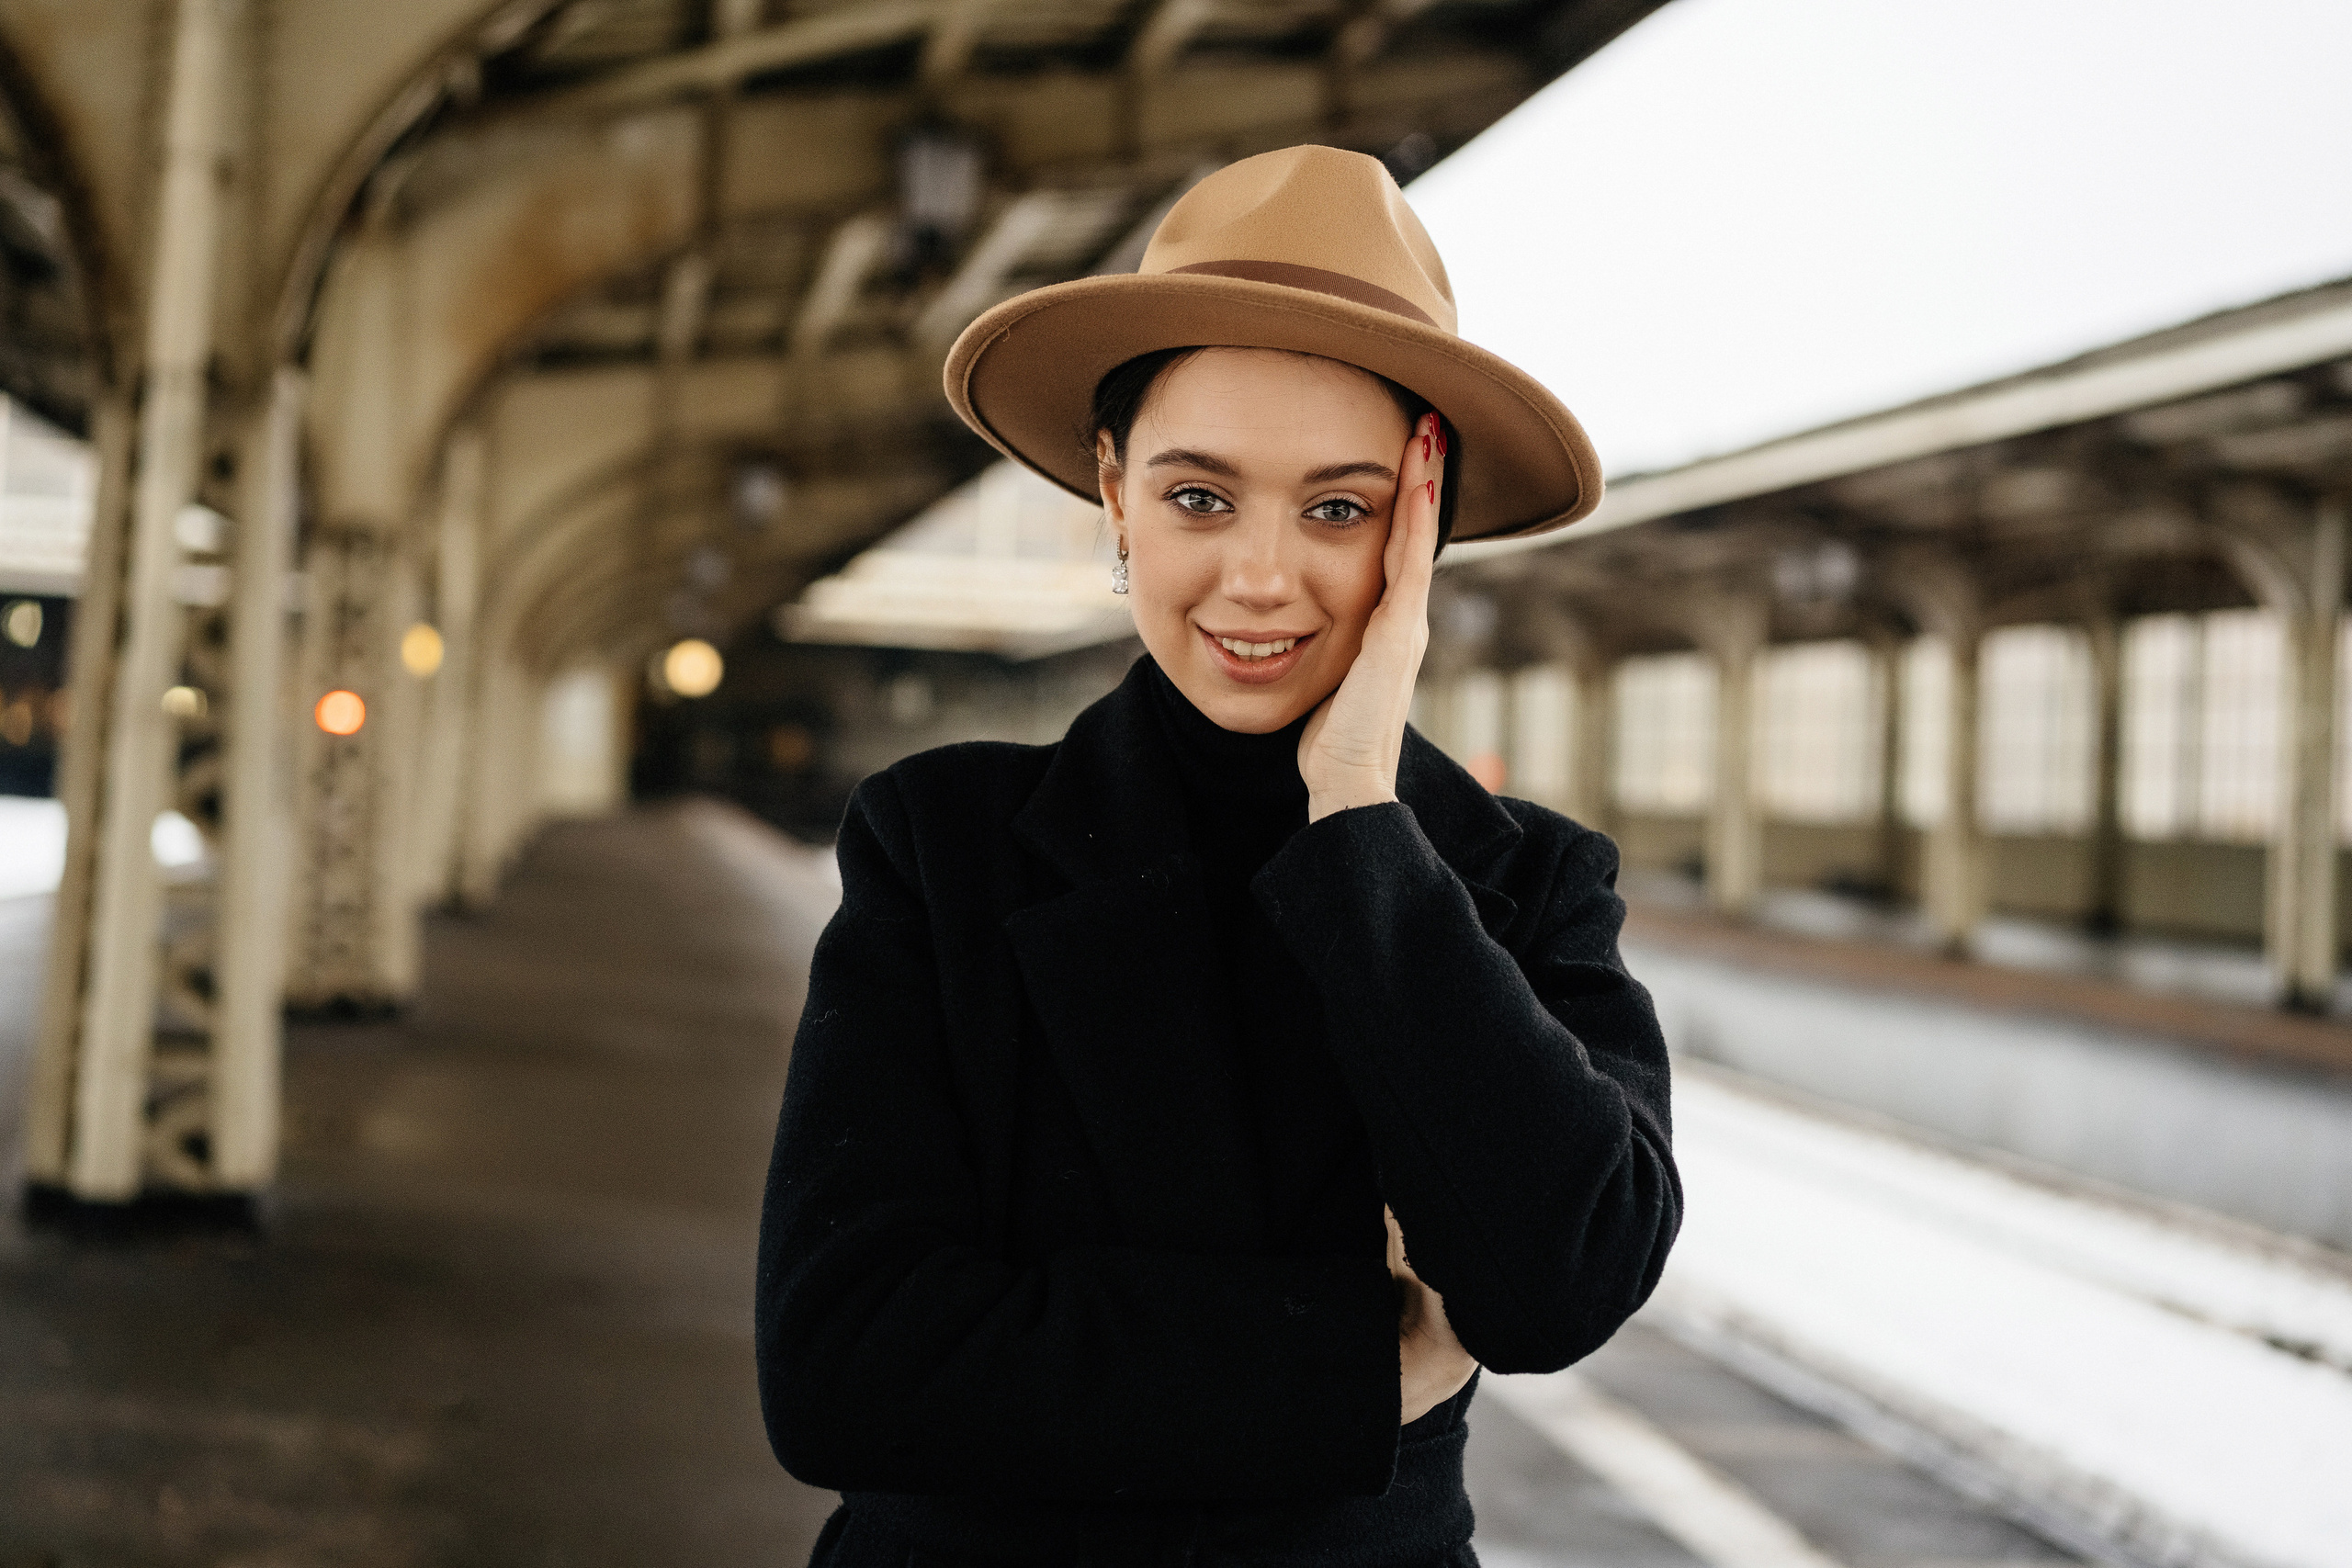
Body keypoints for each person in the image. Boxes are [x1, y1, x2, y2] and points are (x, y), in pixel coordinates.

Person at [756, 144, 1680, 1568]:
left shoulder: (1524, 883)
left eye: (1338, 508)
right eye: (1200, 498)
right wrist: (1355, 1372)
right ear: (1114, 491)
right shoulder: (942, 845)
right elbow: (844, 1368)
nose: (1262, 577)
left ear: (1418, 529)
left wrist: (1364, 815)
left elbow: (1558, 1288)